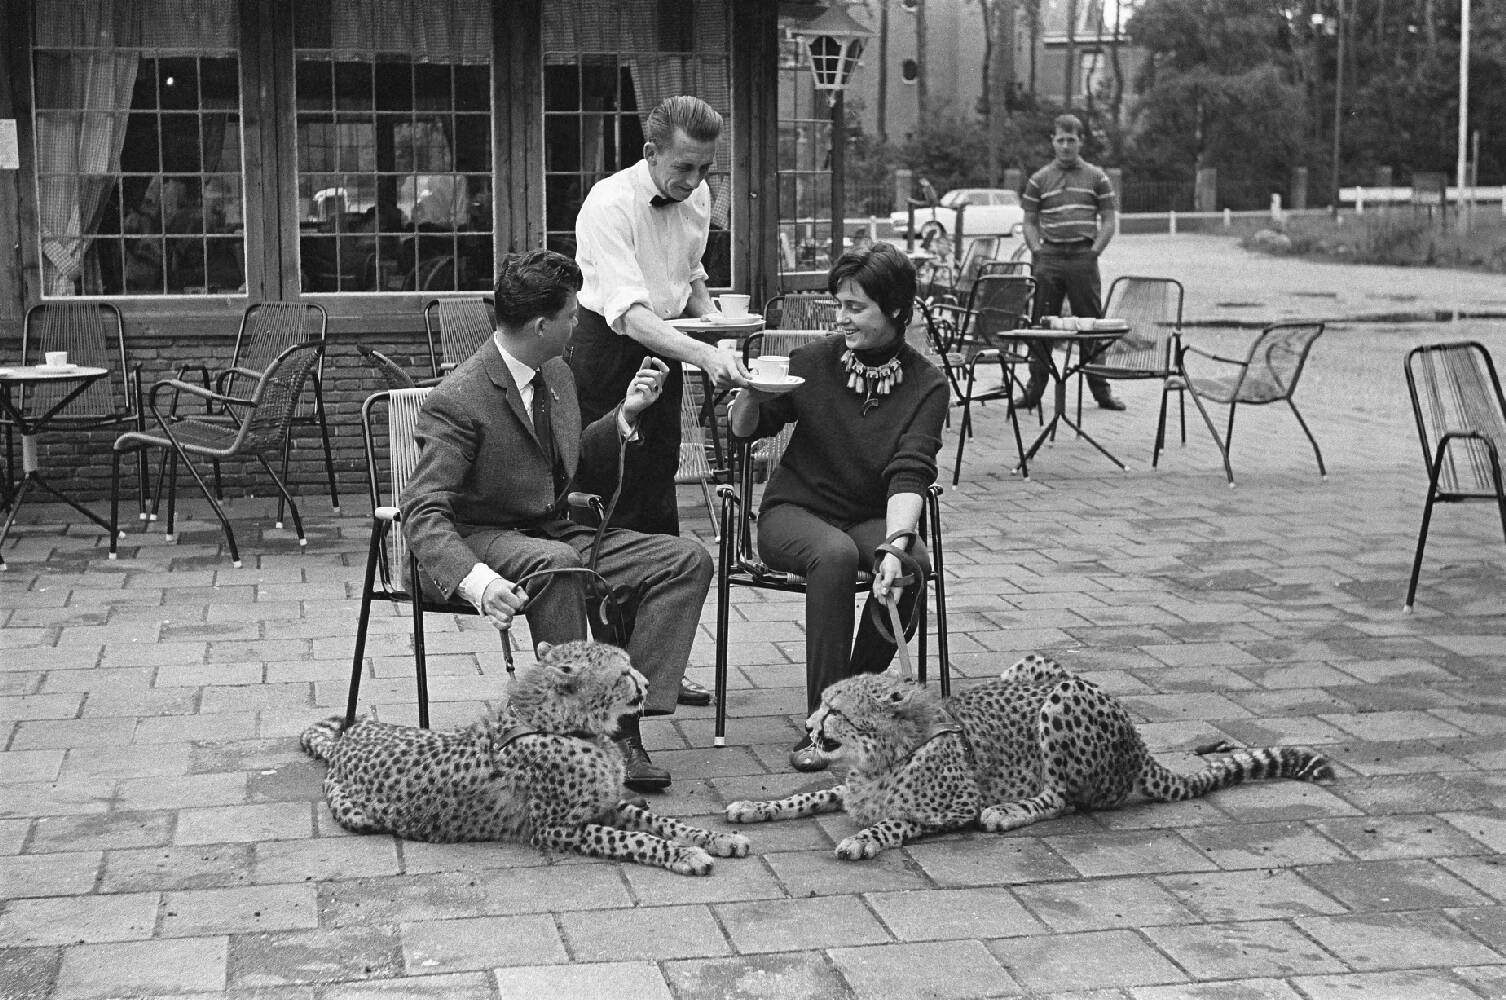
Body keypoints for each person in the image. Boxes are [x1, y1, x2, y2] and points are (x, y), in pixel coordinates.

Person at [401, 249, 714, 793]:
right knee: (560, 562)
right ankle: (573, 746)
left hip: (550, 533)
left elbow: (570, 464)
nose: (579, 324)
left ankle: (618, 719)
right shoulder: (459, 397)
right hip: (480, 540)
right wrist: (478, 583)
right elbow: (422, 508)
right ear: (542, 325)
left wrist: (625, 415)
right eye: (573, 315)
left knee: (685, 559)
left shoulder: (557, 373)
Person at [727, 243, 948, 773]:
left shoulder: (927, 384)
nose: (841, 319)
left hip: (867, 516)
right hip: (794, 512)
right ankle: (820, 726)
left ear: (895, 309)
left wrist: (896, 543)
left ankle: (846, 701)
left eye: (855, 307)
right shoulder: (811, 363)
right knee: (834, 555)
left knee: (912, 565)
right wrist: (749, 394)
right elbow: (744, 432)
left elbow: (911, 472)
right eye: (838, 306)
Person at [568, 94, 751, 539]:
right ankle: (597, 577)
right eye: (684, 167)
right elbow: (631, 315)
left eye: (704, 168)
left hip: (664, 347)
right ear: (651, 153)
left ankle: (663, 574)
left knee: (658, 470)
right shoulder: (608, 203)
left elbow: (690, 275)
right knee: (606, 476)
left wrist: (720, 330)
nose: (695, 180)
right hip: (607, 352)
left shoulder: (698, 194)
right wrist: (704, 356)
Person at [1015, 113, 1125, 412]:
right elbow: (1029, 221)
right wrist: (1037, 251)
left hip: (1082, 258)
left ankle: (1101, 391)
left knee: (1091, 326)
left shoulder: (1097, 177)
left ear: (1081, 141)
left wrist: (1094, 252)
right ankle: (1034, 391)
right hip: (1049, 258)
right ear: (1053, 141)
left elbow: (1109, 219)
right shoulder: (1039, 179)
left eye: (1071, 140)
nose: (1066, 146)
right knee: (1042, 325)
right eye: (1061, 140)